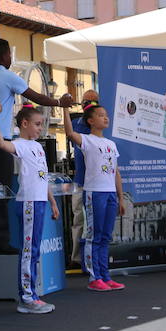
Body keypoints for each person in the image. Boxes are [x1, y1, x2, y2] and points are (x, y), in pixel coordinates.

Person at [0, 38, 74, 254]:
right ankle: (0, 243)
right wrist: (58, 103)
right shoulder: (8, 76)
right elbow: (34, 96)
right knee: (2, 190)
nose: (11, 58)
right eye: (9, 54)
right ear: (5, 55)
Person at [0, 106, 60, 313]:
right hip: (28, 203)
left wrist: (52, 202)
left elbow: (43, 177)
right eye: (37, 124)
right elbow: (1, 143)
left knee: (34, 249)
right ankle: (27, 297)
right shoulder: (20, 144)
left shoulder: (37, 147)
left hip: (39, 202)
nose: (40, 128)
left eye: (41, 124)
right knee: (29, 250)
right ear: (25, 124)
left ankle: (31, 294)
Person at [62, 100, 125, 292]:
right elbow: (69, 133)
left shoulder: (111, 144)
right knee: (94, 236)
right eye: (100, 115)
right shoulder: (86, 140)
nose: (105, 118)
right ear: (89, 121)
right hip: (94, 192)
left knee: (105, 236)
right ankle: (93, 276)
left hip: (110, 194)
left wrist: (121, 197)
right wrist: (64, 109)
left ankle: (105, 275)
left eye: (106, 115)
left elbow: (116, 172)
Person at [70, 91, 99, 266]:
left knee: (96, 220)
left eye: (92, 103)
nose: (87, 106)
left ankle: (94, 257)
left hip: (97, 181)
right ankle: (77, 258)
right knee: (79, 219)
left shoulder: (100, 124)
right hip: (81, 180)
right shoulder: (77, 124)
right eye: (85, 102)